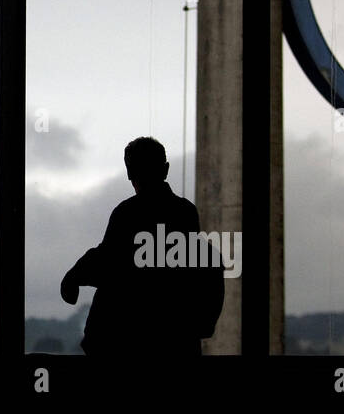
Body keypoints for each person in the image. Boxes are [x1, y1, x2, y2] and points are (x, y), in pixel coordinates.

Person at [60, 136, 223, 355]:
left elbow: (106, 259)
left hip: (124, 344)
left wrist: (73, 278)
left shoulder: (126, 215)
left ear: (129, 173)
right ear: (165, 170)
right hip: (177, 344)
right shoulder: (184, 214)